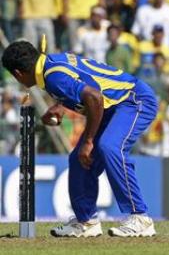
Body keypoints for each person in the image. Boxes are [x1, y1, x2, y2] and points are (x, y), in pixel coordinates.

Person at [1, 40, 158, 238]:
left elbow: (94, 98)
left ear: (17, 74)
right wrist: (61, 105)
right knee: (78, 159)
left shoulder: (53, 76)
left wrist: (88, 141)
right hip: (114, 106)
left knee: (110, 147)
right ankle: (86, 221)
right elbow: (84, 82)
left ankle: (140, 217)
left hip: (134, 100)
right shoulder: (49, 64)